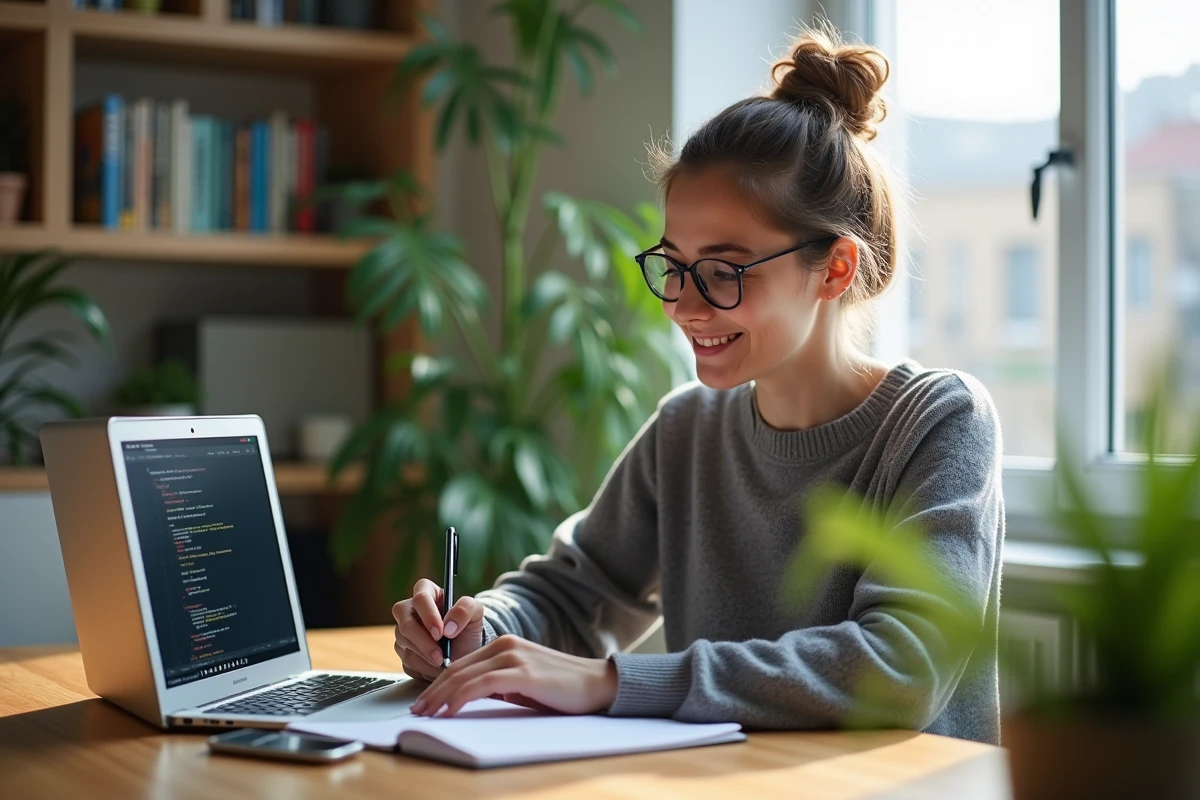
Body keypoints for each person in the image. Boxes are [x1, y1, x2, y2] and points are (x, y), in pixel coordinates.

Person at [392, 25, 1004, 745]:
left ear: (834, 270)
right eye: (674, 265)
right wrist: (475, 631)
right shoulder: (688, 428)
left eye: (723, 271)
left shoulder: (939, 421)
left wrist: (611, 683)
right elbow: (571, 593)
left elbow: (903, 668)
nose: (682, 304)